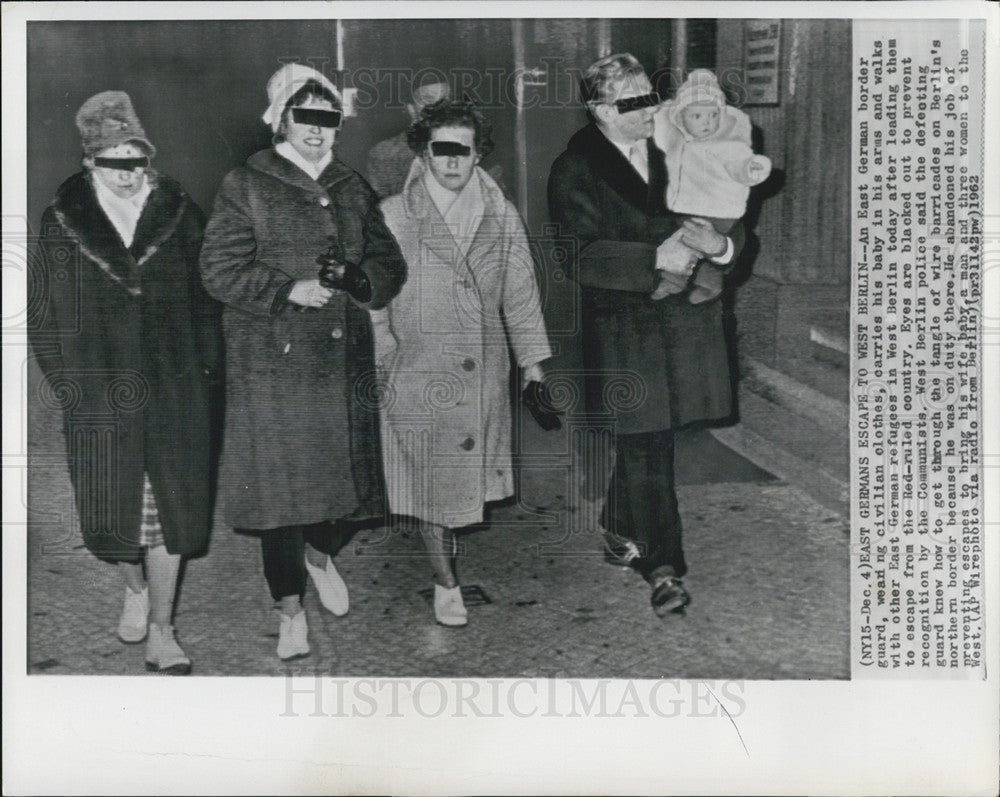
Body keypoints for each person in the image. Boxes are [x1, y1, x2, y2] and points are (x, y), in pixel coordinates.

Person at [199, 64, 406, 661]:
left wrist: (362, 278)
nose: (317, 130)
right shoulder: (246, 184)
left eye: (327, 118)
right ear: (281, 122)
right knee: (281, 498)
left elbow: (390, 265)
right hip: (275, 363)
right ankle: (289, 612)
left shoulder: (352, 186)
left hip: (342, 362)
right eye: (304, 117)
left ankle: (322, 556)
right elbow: (218, 268)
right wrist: (287, 289)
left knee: (345, 490)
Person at [30, 91, 222, 674]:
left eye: (134, 160)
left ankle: (164, 629)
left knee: (171, 512)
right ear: (89, 162)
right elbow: (43, 313)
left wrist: (208, 377)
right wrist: (69, 384)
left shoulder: (181, 213)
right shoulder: (64, 221)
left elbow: (208, 302)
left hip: (176, 389)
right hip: (101, 392)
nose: (126, 173)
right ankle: (133, 587)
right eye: (112, 161)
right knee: (116, 512)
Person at [547, 53, 745, 617]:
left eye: (650, 98)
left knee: (649, 437)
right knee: (648, 444)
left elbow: (732, 211)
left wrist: (723, 248)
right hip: (625, 330)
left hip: (685, 324)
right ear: (599, 110)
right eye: (631, 103)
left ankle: (616, 523)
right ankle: (662, 567)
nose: (649, 110)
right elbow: (577, 255)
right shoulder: (574, 169)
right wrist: (650, 256)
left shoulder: (682, 148)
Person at [373, 99, 557, 627]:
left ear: (479, 156)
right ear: (423, 153)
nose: (452, 162)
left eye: (464, 151)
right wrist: (385, 357)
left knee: (457, 482)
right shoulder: (391, 215)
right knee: (434, 483)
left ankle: (444, 572)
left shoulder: (500, 214)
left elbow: (520, 292)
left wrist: (533, 367)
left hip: (482, 367)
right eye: (442, 150)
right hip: (418, 369)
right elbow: (373, 301)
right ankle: (444, 581)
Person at [652, 68, 771, 302]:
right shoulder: (674, 143)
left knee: (691, 239)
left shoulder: (725, 143)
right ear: (681, 118)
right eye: (697, 116)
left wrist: (750, 168)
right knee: (689, 240)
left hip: (718, 209)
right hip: (685, 208)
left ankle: (676, 282)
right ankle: (705, 282)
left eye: (713, 115)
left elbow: (737, 161)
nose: (706, 123)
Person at [365, 79, 451, 199]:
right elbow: (377, 211)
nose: (438, 109)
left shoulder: (469, 148)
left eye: (444, 101)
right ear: (411, 109)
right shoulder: (384, 155)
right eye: (428, 100)